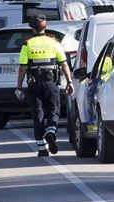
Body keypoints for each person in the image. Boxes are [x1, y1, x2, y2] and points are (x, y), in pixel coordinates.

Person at [16, 14, 74, 157]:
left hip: (34, 84)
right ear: (45, 26)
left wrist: (18, 86)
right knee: (54, 110)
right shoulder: (54, 42)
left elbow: (23, 68)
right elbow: (64, 63)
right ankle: (51, 131)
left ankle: (42, 149)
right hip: (51, 82)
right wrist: (70, 82)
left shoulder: (27, 44)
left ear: (32, 29)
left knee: (38, 115)